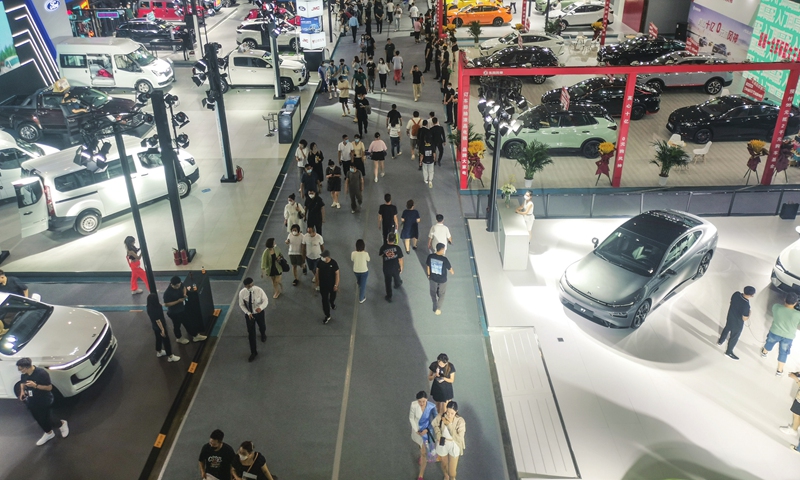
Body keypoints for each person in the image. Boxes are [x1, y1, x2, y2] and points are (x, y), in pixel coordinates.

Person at [15, 357, 68, 446]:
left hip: (44, 399)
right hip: (32, 400)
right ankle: (49, 433)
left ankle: (62, 424)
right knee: (38, 418)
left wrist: (35, 385)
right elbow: (22, 383)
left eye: (21, 369)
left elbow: (49, 388)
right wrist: (22, 392)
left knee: (48, 418)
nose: (20, 371)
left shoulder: (41, 373)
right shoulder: (24, 375)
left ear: (27, 367)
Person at [761, 292, 800, 376]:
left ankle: (764, 353)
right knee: (783, 353)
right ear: (796, 303)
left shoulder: (776, 307)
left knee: (769, 343)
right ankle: (779, 370)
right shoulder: (798, 315)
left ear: (784, 299)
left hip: (775, 332)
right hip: (788, 336)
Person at [163, 276, 207, 344]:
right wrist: (178, 301)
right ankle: (179, 338)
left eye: (179, 285)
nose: (178, 287)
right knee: (177, 326)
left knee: (188, 322)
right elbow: (166, 304)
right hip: (174, 313)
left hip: (182, 309)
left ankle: (195, 335)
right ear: (172, 284)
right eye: (176, 286)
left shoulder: (180, 284)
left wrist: (184, 294)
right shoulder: (167, 293)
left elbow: (184, 287)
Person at [717, 286, 755, 360]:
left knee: (726, 328)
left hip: (730, 317)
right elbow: (744, 318)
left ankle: (720, 341)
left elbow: (731, 302)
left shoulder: (736, 294)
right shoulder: (746, 305)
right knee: (734, 337)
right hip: (737, 323)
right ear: (752, 295)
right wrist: (749, 314)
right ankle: (728, 352)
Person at [433, 400, 465, 480]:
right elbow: (435, 425)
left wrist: (449, 425)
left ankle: (452, 477)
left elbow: (459, 437)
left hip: (454, 444)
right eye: (448, 412)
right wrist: (438, 435)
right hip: (443, 442)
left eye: (452, 413)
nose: (449, 415)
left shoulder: (460, 421)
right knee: (444, 464)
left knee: (452, 472)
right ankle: (446, 476)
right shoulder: (441, 416)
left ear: (456, 412)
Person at [238, 278, 268, 362]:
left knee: (262, 326)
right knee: (251, 334)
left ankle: (263, 334)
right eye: (248, 286)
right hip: (249, 315)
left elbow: (265, 300)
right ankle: (253, 352)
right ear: (245, 286)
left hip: (259, 313)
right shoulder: (242, 293)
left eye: (251, 285)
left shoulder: (259, 290)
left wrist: (261, 308)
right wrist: (248, 313)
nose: (250, 287)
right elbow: (241, 304)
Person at [409, 390, 437, 480]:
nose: (421, 403)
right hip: (417, 431)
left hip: (427, 432)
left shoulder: (432, 407)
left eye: (423, 401)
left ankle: (421, 475)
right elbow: (411, 417)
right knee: (420, 446)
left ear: (427, 400)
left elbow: (435, 420)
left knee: (424, 453)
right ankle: (422, 454)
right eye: (419, 401)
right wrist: (416, 429)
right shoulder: (413, 405)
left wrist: (427, 429)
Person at [147, 293, 180, 362]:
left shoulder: (149, 307)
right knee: (166, 340)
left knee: (158, 338)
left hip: (154, 326)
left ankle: (159, 351)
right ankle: (170, 356)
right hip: (160, 326)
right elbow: (158, 320)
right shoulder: (157, 308)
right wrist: (162, 330)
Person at [427, 243, 454, 315]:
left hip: (433, 278)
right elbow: (451, 270)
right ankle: (438, 308)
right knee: (442, 294)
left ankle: (434, 301)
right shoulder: (444, 259)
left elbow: (428, 266)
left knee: (433, 291)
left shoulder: (430, 256)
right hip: (442, 280)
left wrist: (429, 274)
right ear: (441, 249)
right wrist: (452, 271)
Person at [316, 250, 340, 324]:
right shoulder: (320, 263)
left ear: (327, 257)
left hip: (332, 285)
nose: (322, 258)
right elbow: (317, 272)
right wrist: (317, 283)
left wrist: (336, 285)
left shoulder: (334, 263)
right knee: (324, 300)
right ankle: (327, 315)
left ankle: (332, 302)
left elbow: (337, 274)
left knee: (333, 296)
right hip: (323, 285)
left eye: (323, 256)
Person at [379, 232, 404, 302]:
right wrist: (401, 267)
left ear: (387, 239)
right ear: (395, 240)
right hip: (395, 266)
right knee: (396, 276)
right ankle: (397, 284)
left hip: (387, 268)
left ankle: (389, 296)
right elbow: (400, 259)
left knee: (388, 282)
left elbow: (381, 255)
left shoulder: (383, 247)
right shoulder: (398, 248)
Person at [302, 226, 325, 291]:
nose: (309, 233)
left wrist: (324, 256)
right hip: (309, 257)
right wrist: (303, 256)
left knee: (317, 271)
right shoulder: (305, 237)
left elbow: (322, 247)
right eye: (308, 231)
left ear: (313, 231)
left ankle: (318, 284)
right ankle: (316, 276)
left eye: (310, 231)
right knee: (312, 268)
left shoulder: (319, 237)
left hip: (317, 257)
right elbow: (303, 246)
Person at [352, 239, 370, 303]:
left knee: (359, 279)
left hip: (356, 271)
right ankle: (361, 298)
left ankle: (359, 283)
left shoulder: (353, 253)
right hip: (364, 271)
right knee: (363, 286)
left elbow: (352, 259)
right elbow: (368, 259)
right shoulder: (365, 253)